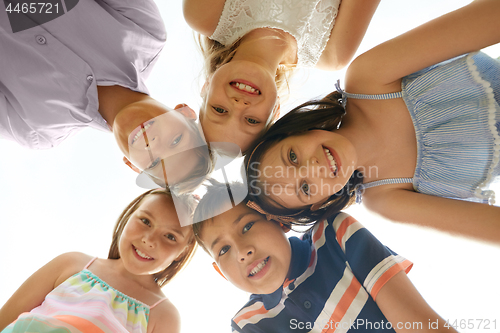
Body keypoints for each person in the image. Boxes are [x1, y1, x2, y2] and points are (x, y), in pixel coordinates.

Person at [244, 0, 500, 244]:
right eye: (306, 187)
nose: (313, 167)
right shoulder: (385, 201)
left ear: (297, 130)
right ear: (320, 202)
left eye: (292, 157)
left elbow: (489, 18)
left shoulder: (367, 79)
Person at [0, 0, 211, 191]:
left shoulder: (35, 130)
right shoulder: (145, 31)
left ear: (131, 165)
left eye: (154, 163)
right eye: (175, 141)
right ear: (185, 112)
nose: (153, 144)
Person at [192, 181, 456, 332]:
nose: (242, 251)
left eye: (247, 226)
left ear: (280, 221)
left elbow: (421, 324)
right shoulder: (248, 323)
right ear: (220, 273)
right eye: (223, 250)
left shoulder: (334, 235)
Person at [182, 0, 381, 153]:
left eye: (219, 110)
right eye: (251, 121)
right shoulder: (333, 53)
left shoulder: (203, 15)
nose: (238, 104)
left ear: (206, 87)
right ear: (276, 110)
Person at [0, 188, 197, 333]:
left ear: (182, 252)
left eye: (170, 236)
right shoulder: (71, 263)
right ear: (129, 216)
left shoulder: (164, 316)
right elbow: (4, 320)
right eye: (145, 221)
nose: (149, 240)